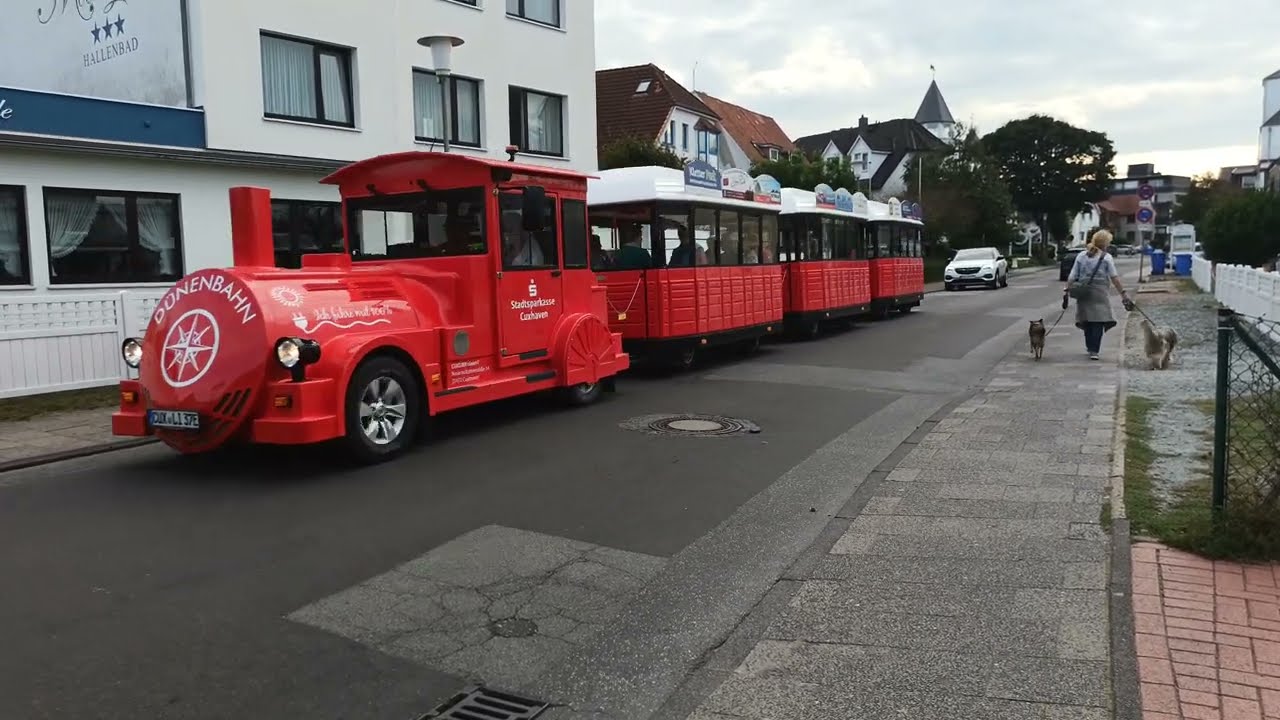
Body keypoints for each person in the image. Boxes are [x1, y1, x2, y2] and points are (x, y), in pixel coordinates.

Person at [1065, 229, 1130, 361]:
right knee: (1098, 321)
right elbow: (1114, 278)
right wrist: (1123, 294)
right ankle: (1094, 350)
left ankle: (1090, 347)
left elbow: (1072, 276)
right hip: (1100, 293)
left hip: (1083, 292)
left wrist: (1067, 290)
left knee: (1087, 320)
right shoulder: (1106, 257)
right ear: (1105, 243)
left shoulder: (1082, 255)